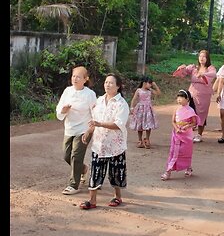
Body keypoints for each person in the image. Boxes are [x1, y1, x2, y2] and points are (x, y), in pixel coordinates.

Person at [79, 73, 130, 210]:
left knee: (116, 173)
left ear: (118, 86)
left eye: (111, 83)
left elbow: (119, 124)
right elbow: (94, 120)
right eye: (106, 82)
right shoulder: (100, 100)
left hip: (115, 146)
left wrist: (100, 124)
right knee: (96, 171)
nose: (107, 85)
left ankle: (117, 196)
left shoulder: (121, 104)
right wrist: (88, 131)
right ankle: (92, 200)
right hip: (99, 144)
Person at [56, 66, 97, 195]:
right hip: (69, 129)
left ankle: (74, 185)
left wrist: (90, 130)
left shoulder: (90, 94)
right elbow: (59, 111)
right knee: (66, 156)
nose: (75, 79)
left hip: (84, 130)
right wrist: (63, 111)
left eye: (78, 77)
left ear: (85, 79)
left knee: (76, 156)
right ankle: (83, 169)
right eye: (74, 76)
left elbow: (95, 113)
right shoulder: (67, 91)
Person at [173, 50, 217, 143]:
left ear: (207, 58)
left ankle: (199, 134)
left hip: (204, 95)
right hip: (192, 93)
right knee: (189, 112)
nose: (201, 58)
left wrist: (203, 74)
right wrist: (182, 67)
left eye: (204, 56)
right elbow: (184, 72)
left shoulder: (210, 68)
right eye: (200, 56)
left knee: (202, 114)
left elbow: (213, 74)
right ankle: (187, 132)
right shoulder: (194, 68)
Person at [161, 89, 200, 181]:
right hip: (177, 134)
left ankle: (188, 167)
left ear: (187, 99)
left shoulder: (190, 110)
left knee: (185, 152)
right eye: (178, 97)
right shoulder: (176, 108)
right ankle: (168, 171)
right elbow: (173, 121)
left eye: (182, 97)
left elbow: (194, 122)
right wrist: (177, 128)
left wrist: (187, 126)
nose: (179, 99)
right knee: (174, 152)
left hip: (187, 135)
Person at [128, 76, 160, 148]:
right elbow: (134, 99)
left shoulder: (150, 91)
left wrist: (155, 85)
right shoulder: (139, 90)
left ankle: (147, 139)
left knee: (149, 124)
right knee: (140, 125)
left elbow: (158, 93)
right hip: (140, 109)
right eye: (150, 83)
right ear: (144, 83)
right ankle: (140, 140)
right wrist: (132, 108)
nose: (150, 85)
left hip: (148, 109)